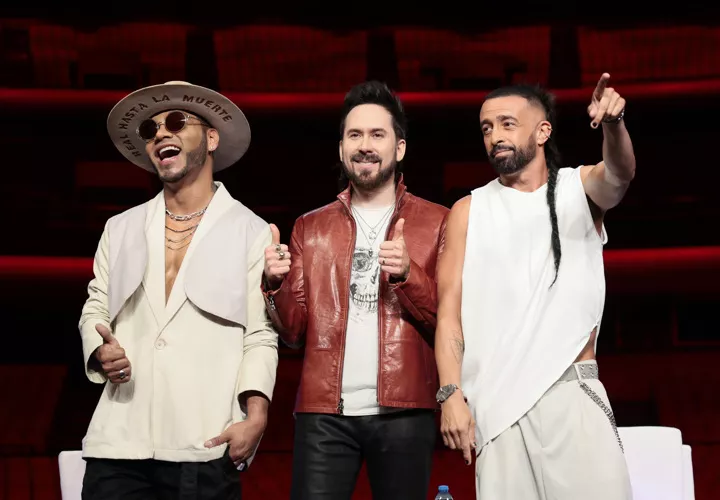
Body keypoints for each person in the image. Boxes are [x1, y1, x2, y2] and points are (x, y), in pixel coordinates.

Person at [435, 73, 636, 499]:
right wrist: (450, 393)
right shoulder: (467, 211)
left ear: (543, 131)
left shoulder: (578, 188)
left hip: (572, 392)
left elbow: (620, 174)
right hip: (498, 408)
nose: (495, 136)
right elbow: (449, 311)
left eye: (507, 124)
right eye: (487, 128)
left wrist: (614, 124)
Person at [78, 81, 279, 500]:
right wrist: (98, 351)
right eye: (150, 130)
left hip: (202, 441)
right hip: (119, 440)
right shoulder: (120, 227)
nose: (160, 134)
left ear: (211, 139)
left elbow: (260, 334)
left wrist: (256, 417)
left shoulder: (251, 231)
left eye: (175, 122)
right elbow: (95, 306)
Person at [262, 81, 448, 500]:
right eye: (355, 135)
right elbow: (294, 332)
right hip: (324, 413)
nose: (365, 146)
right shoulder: (310, 226)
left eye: (377, 135)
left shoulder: (438, 221)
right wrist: (275, 286)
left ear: (400, 147)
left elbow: (450, 321)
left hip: (405, 409)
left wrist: (408, 275)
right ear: (341, 147)